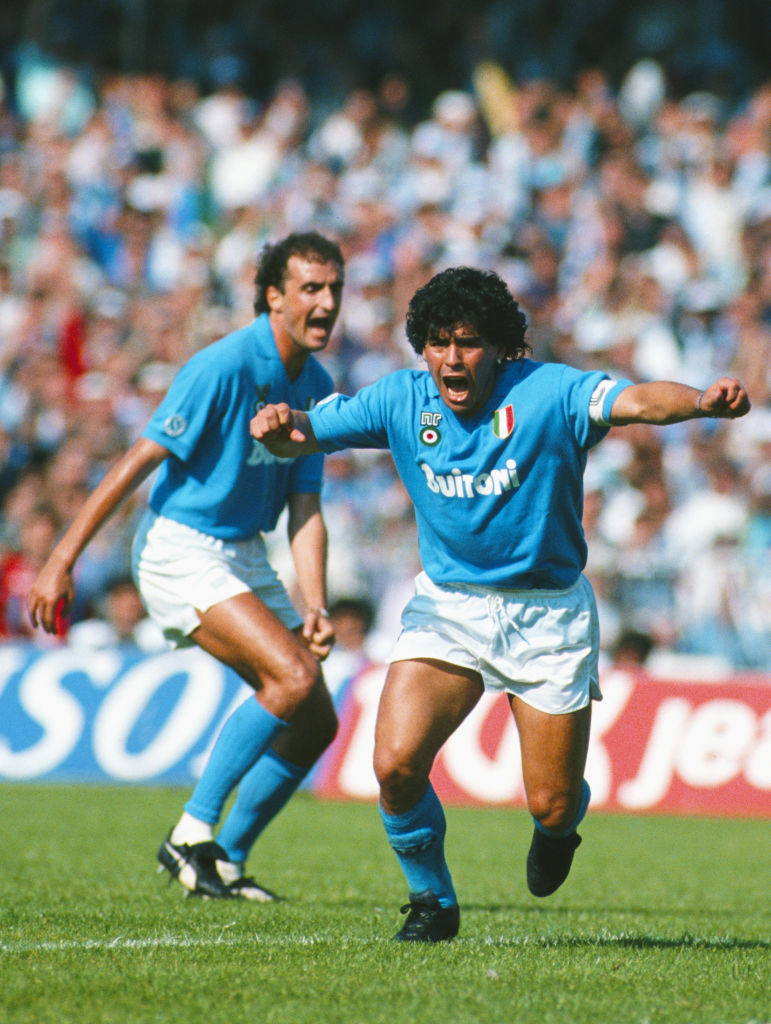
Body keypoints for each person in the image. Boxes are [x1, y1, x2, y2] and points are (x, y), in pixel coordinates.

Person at [251, 265, 751, 941]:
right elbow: (305, 431)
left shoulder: (549, 391)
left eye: (468, 342)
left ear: (499, 348)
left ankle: (560, 827)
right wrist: (279, 424)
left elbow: (635, 401)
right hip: (449, 608)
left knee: (550, 804)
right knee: (394, 764)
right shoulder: (400, 399)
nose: (452, 358)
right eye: (438, 342)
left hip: (547, 615)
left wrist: (701, 401)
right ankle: (432, 901)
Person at [28, 231, 345, 900]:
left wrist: (314, 602)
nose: (326, 303)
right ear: (274, 296)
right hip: (180, 547)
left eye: (334, 289)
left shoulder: (316, 385)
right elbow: (138, 461)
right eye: (311, 288)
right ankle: (190, 833)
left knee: (317, 718)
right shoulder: (223, 365)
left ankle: (224, 861)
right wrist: (61, 559)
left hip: (244, 553)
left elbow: (305, 505)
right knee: (290, 678)